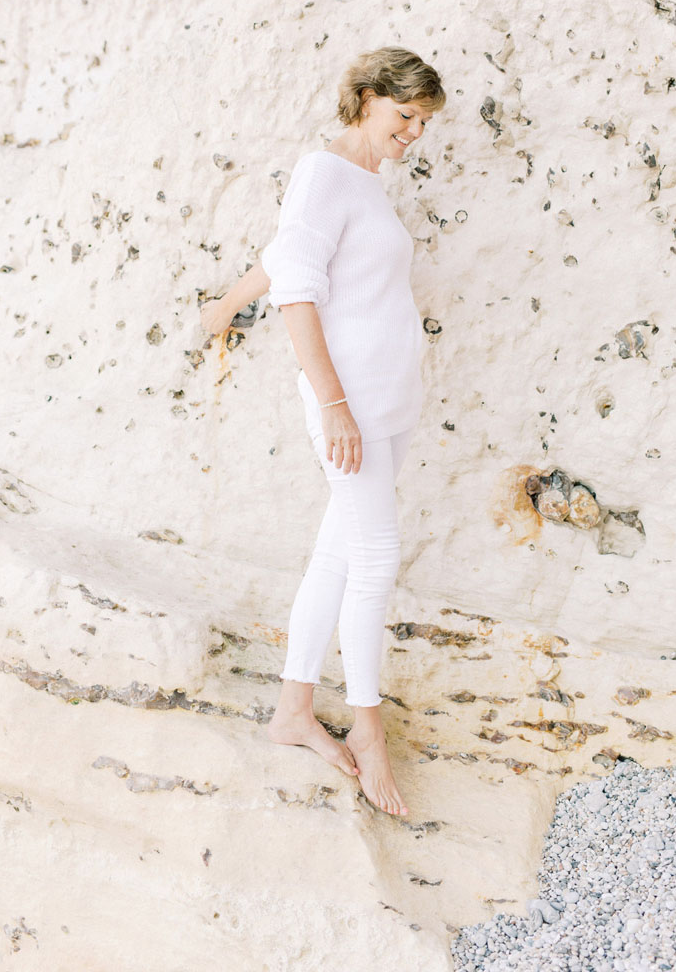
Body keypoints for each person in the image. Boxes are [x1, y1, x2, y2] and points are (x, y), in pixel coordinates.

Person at [200, 47, 446, 816]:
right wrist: (333, 403)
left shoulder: (364, 182)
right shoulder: (324, 171)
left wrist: (222, 306)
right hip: (354, 407)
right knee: (375, 560)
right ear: (367, 97)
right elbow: (298, 295)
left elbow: (284, 258)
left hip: (388, 402)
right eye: (404, 116)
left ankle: (292, 712)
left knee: (337, 556)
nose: (414, 133)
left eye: (423, 123)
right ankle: (368, 732)